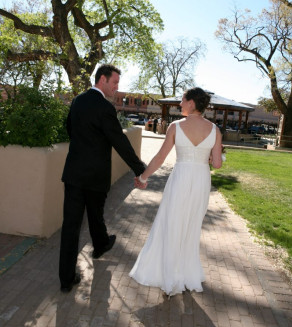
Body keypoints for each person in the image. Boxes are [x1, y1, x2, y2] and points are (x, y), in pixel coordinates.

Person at [59, 64, 145, 293]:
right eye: (115, 83)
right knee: (95, 213)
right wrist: (140, 169)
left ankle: (67, 277)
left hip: (74, 173)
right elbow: (119, 141)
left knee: (71, 226)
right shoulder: (104, 107)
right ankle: (100, 244)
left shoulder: (77, 101)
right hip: (95, 175)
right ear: (102, 80)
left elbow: (69, 128)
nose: (117, 88)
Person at [131, 87, 222, 297]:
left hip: (181, 178)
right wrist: (209, 157)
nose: (180, 104)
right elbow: (216, 163)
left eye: (182, 100)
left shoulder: (175, 126)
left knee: (172, 224)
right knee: (192, 226)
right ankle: (186, 273)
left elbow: (160, 157)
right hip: (201, 180)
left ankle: (170, 276)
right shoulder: (215, 130)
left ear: (191, 103)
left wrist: (143, 177)